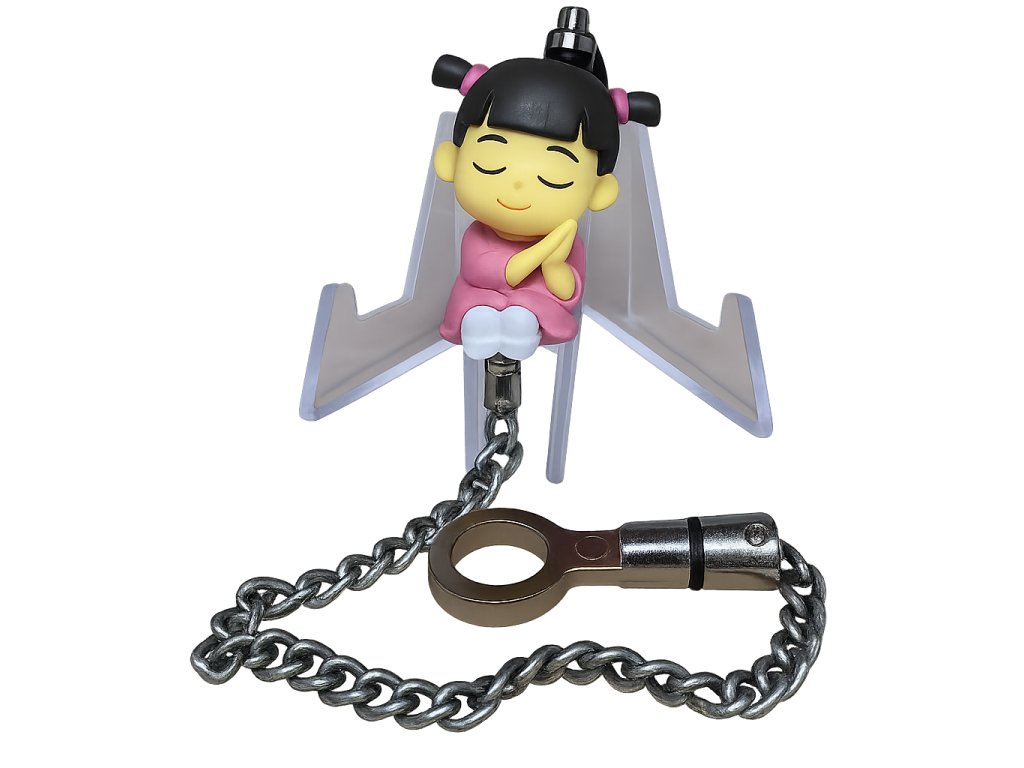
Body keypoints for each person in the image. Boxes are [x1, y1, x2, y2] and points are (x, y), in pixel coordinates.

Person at [432, 55, 659, 359]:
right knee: (477, 319)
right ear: (450, 161)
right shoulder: (478, 235)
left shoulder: (571, 244)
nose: (518, 185)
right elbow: (492, 275)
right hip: (477, 298)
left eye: (553, 180)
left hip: (536, 305)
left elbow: (567, 292)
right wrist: (547, 248)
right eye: (490, 165)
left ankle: (515, 337)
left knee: (522, 318)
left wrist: (554, 265)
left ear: (599, 191)